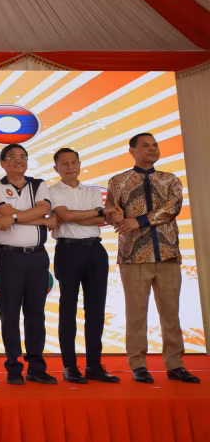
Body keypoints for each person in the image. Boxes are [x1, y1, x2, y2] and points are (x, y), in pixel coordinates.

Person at [106, 133, 199, 383]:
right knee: (135, 313)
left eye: (155, 145)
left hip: (167, 253)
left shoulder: (170, 179)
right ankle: (138, 364)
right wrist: (114, 216)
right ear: (132, 151)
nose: (152, 149)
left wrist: (138, 220)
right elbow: (112, 211)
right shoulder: (118, 181)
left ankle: (175, 364)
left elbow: (172, 209)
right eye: (145, 146)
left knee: (171, 312)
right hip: (133, 255)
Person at [50, 148, 119, 383]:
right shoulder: (51, 191)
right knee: (67, 309)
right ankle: (69, 366)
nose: (70, 167)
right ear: (56, 168)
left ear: (80, 165)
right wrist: (96, 212)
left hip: (95, 250)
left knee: (96, 309)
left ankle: (94, 365)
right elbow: (65, 215)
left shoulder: (91, 190)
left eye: (74, 162)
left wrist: (92, 214)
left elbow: (103, 219)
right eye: (64, 163)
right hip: (68, 250)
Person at [0, 143, 58, 385]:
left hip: (37, 257)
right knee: (9, 313)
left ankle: (36, 367)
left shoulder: (39, 184)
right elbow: (4, 212)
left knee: (36, 314)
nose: (18, 160)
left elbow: (41, 208)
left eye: (22, 156)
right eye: (12, 157)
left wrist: (16, 218)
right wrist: (41, 220)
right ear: (3, 163)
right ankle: (13, 367)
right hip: (9, 258)